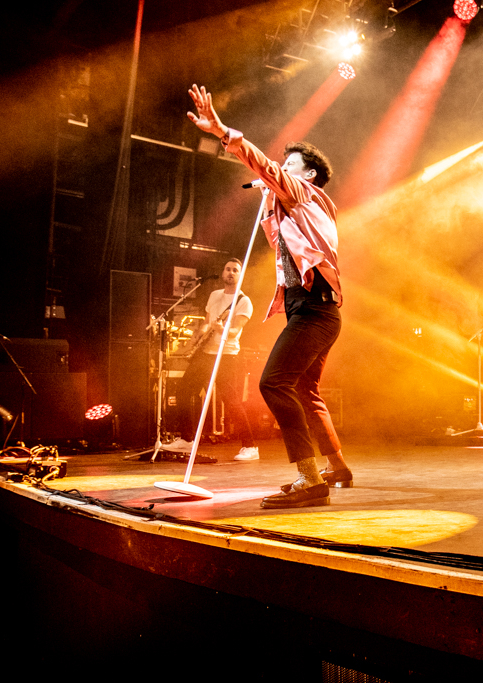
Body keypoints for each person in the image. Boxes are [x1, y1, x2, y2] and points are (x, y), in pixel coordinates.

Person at [187, 84, 351, 509]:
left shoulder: (306, 192)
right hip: (311, 308)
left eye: (289, 165)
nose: (280, 169)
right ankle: (337, 467)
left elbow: (263, 165)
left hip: (314, 309)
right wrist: (268, 199)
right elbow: (278, 236)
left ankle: (310, 480)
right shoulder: (293, 205)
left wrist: (223, 132)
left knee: (273, 383)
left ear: (308, 175)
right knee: (306, 391)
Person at [170, 259, 259, 462]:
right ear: (223, 272)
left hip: (227, 354)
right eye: (227, 269)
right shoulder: (214, 295)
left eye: (235, 270)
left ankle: (250, 446)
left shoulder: (243, 301)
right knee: (183, 391)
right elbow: (206, 322)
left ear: (240, 276)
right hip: (206, 352)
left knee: (231, 401)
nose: (230, 273)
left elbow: (235, 331)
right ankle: (187, 439)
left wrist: (222, 329)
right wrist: (196, 337)